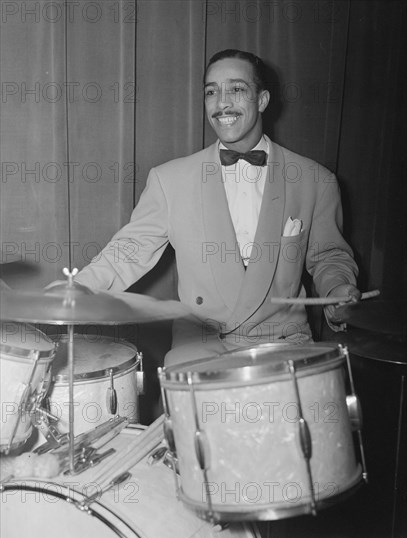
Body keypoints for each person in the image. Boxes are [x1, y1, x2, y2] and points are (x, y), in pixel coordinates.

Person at [75, 49, 360, 366]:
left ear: (262, 100)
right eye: (211, 92)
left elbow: (329, 256)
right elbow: (127, 251)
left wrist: (339, 288)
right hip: (200, 346)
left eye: (236, 89)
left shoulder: (315, 180)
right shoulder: (170, 180)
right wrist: (77, 290)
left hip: (283, 345)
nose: (222, 103)